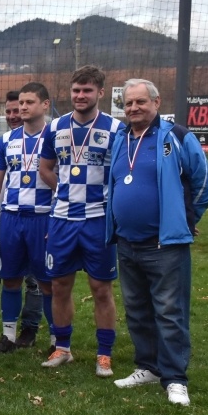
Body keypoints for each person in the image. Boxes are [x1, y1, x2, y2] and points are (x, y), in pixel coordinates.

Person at [106, 79, 208, 406]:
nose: (134, 108)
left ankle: (175, 378)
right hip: (126, 242)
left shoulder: (177, 136)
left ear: (156, 102)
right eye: (128, 104)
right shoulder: (120, 139)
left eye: (140, 102)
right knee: (137, 311)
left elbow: (205, 184)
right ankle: (148, 367)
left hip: (164, 245)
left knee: (169, 312)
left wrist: (186, 220)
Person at [38, 65, 123, 377]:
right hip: (61, 219)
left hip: (98, 219)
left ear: (100, 93)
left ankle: (104, 354)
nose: (81, 95)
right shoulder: (56, 127)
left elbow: (121, 174)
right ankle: (63, 348)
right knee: (60, 284)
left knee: (101, 288)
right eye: (76, 90)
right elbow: (45, 168)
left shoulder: (116, 129)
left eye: (87, 90)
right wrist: (62, 190)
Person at [0, 83, 54, 354]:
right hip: (11, 219)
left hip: (43, 218)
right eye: (20, 102)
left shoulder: (56, 136)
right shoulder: (7, 140)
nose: (22, 107)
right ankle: (8, 337)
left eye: (29, 102)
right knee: (9, 278)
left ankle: (58, 342)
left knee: (46, 282)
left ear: (45, 104)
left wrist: (57, 220)